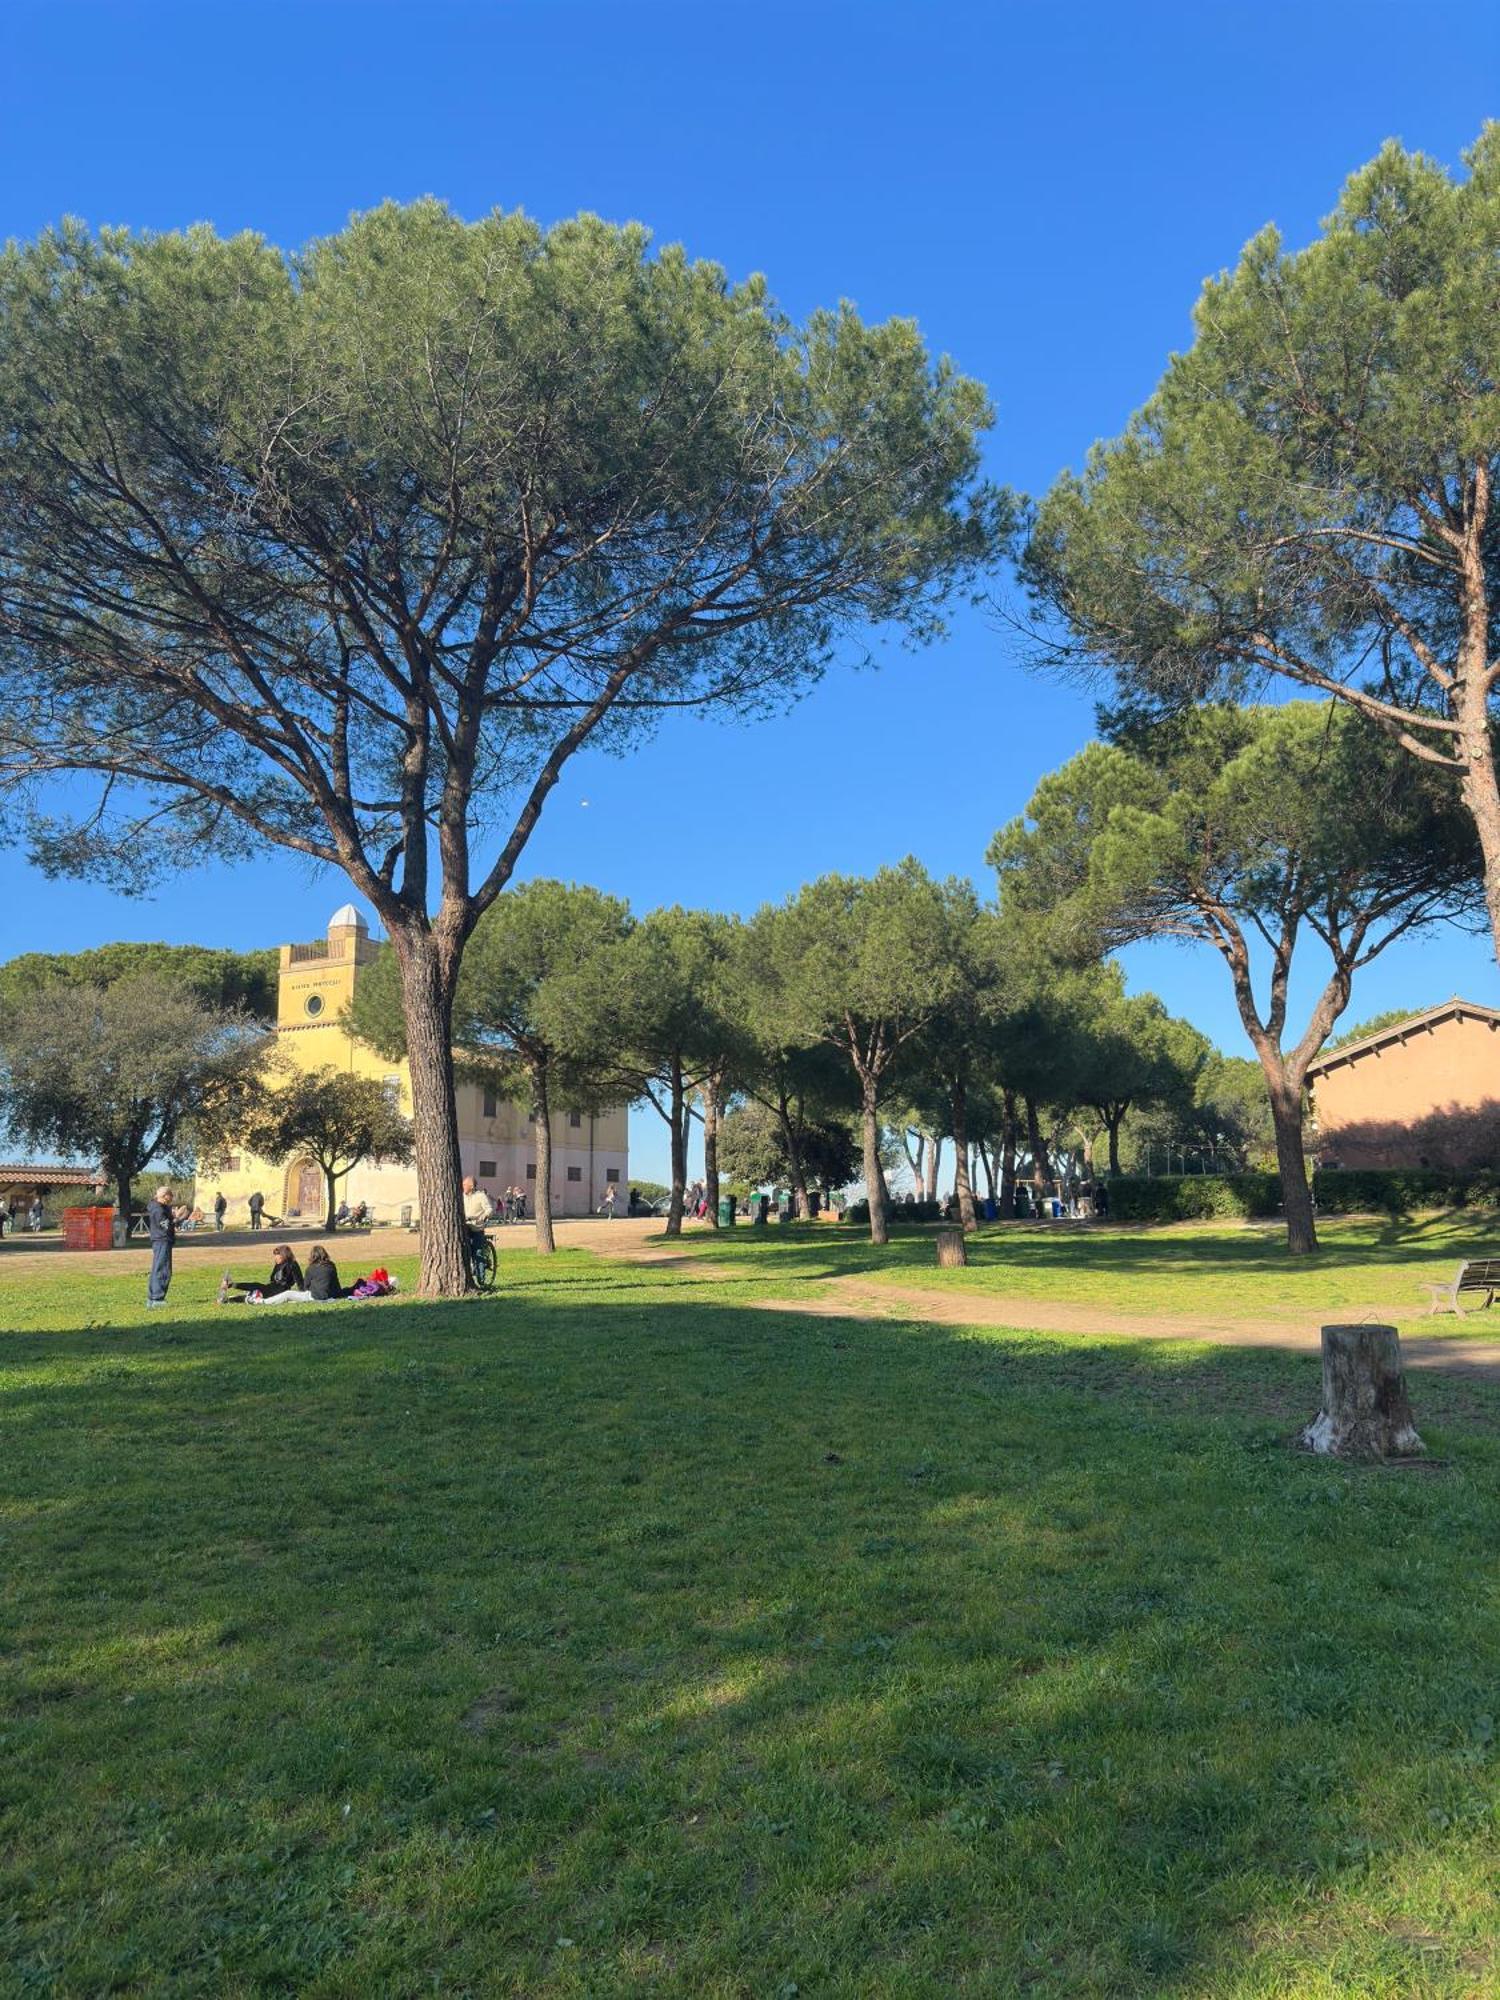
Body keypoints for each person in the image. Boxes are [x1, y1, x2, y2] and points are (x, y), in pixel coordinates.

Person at [219, 1244, 305, 1304]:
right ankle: (229, 1295)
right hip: (271, 1288)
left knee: (257, 1290)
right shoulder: (278, 1264)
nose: (275, 1257)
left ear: (284, 1255)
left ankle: (230, 1291)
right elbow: (273, 1279)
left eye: (277, 1255)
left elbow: (299, 1281)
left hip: (280, 1291)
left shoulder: (292, 1264)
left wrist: (303, 1295)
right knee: (255, 1291)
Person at [145, 1184, 179, 1307]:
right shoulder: (159, 1209)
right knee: (163, 1269)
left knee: (156, 1268)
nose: (172, 1198)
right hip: (162, 1240)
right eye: (171, 1195)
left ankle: (151, 1298)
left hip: (158, 1240)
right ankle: (158, 1299)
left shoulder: (156, 1207)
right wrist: (177, 1218)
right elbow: (165, 1226)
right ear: (165, 1196)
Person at [463, 1177, 493, 1265]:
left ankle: (481, 1277)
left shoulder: (481, 1196)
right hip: (465, 1225)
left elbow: (489, 1209)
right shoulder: (462, 1196)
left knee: (478, 1252)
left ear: (471, 1186)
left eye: (465, 1185)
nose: (463, 1186)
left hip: (477, 1227)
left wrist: (484, 1216)